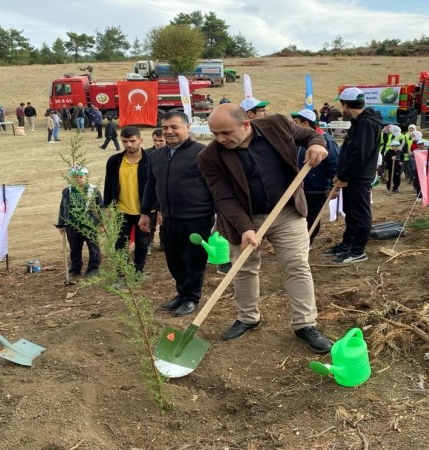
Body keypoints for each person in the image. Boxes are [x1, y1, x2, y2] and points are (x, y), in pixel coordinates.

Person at [197, 103, 333, 353]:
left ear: (246, 124)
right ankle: (248, 317)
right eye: (215, 134)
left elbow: (310, 135)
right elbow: (224, 197)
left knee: (296, 265)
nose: (220, 139)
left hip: (287, 212)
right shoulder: (210, 157)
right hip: (244, 218)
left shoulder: (276, 124)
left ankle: (305, 324)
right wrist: (245, 228)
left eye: (226, 133)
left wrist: (317, 145)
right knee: (244, 269)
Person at [138, 111, 215, 316]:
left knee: (194, 260)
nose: (169, 132)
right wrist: (145, 211)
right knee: (174, 259)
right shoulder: (156, 155)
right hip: (170, 217)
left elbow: (216, 186)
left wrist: (219, 216)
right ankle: (181, 292)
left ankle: (192, 297)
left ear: (187, 127)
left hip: (197, 218)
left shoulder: (203, 153)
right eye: (165, 128)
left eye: (174, 127)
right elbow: (151, 183)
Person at [323, 87, 383, 264]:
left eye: (343, 105)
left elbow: (359, 155)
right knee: (350, 211)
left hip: (359, 178)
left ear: (346, 105)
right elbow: (350, 152)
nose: (342, 109)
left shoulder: (366, 123)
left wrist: (345, 176)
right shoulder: (359, 121)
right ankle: (347, 244)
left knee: (360, 213)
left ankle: (358, 251)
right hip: (351, 176)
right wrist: (340, 174)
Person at [103, 126, 151, 275]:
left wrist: (158, 209)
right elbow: (108, 184)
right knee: (119, 243)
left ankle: (138, 272)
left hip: (144, 211)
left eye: (132, 141)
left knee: (142, 243)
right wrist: (107, 207)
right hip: (121, 210)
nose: (129, 144)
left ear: (140, 140)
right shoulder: (114, 161)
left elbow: (157, 186)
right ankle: (122, 273)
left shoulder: (151, 160)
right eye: (125, 141)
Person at [290, 108, 339, 245]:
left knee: (312, 216)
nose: (293, 126)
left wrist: (332, 186)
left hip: (316, 187)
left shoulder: (325, 140)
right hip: (298, 187)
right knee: (298, 216)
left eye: (296, 122)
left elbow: (334, 164)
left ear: (305, 123)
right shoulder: (295, 140)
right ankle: (298, 242)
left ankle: (307, 242)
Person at [56, 166, 102, 278]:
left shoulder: (94, 190)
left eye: (80, 177)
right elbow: (63, 207)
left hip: (90, 225)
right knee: (74, 247)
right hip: (73, 224)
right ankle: (75, 268)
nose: (77, 179)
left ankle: (93, 268)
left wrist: (101, 223)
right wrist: (61, 224)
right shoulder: (67, 191)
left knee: (93, 246)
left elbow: (100, 208)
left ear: (86, 177)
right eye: (74, 177)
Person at [144, 129, 166, 253]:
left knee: (165, 221)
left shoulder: (171, 154)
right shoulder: (147, 154)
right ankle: (148, 242)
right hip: (152, 193)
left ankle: (164, 242)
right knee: (150, 220)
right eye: (155, 140)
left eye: (161, 141)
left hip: (165, 193)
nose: (158, 143)